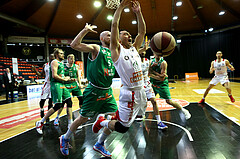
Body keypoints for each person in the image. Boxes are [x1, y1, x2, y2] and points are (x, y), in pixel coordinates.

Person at [91, 0, 147, 156]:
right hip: (129, 94)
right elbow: (114, 26)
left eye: (129, 33)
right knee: (122, 127)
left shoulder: (135, 48)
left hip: (140, 91)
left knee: (122, 121)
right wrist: (121, 7)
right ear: (119, 39)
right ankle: (101, 121)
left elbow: (142, 32)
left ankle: (99, 143)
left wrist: (138, 12)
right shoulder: (116, 51)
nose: (128, 34)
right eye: (125, 34)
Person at [59, 23, 118, 156]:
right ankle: (66, 137)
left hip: (107, 90)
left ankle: (100, 143)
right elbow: (74, 45)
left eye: (111, 34)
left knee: (115, 117)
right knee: (82, 119)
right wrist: (85, 30)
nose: (111, 35)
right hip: (94, 91)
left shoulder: (114, 51)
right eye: (108, 35)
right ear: (102, 39)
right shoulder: (97, 48)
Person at [35, 48, 74, 134]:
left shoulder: (61, 63)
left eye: (63, 53)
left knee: (69, 101)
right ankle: (40, 122)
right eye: (61, 53)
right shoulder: (54, 62)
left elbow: (61, 75)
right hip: (56, 85)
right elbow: (54, 75)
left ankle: (70, 123)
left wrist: (69, 79)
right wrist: (64, 79)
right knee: (58, 105)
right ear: (56, 55)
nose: (63, 55)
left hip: (62, 84)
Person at [149, 53, 191, 120]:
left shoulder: (163, 63)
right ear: (154, 53)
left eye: (159, 53)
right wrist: (157, 74)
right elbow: (149, 72)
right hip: (153, 84)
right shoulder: (151, 62)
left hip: (162, 84)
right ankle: (140, 115)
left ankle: (184, 111)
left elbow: (162, 78)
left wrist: (153, 74)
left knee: (169, 101)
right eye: (156, 53)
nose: (157, 54)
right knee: (146, 99)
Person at [137, 40, 168, 129]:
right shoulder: (135, 61)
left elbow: (150, 72)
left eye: (144, 51)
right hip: (138, 85)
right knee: (141, 103)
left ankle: (159, 122)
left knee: (154, 101)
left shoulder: (148, 61)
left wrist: (160, 75)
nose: (143, 52)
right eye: (141, 51)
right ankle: (140, 114)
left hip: (147, 84)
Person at [53, 54, 84, 128]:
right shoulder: (63, 67)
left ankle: (82, 115)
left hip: (74, 85)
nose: (72, 60)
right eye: (71, 59)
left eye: (73, 59)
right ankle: (57, 117)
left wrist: (79, 84)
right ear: (68, 59)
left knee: (81, 99)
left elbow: (78, 76)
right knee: (64, 102)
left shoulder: (76, 66)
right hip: (66, 85)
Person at [32, 54, 55, 125]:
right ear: (49, 58)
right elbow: (41, 74)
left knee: (50, 102)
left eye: (53, 57)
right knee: (42, 100)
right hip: (46, 85)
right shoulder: (45, 65)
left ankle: (47, 117)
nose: (51, 58)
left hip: (53, 84)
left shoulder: (56, 65)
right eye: (50, 57)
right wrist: (35, 71)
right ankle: (41, 110)